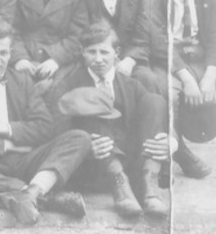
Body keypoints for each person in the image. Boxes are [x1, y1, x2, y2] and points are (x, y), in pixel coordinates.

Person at [0, 20, 91, 226]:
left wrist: (5, 130)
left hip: (26, 158)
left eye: (3, 53)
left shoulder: (22, 81)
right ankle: (36, 194)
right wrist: (6, 146)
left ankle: (23, 193)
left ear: (11, 52)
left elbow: (45, 127)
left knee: (79, 138)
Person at [43, 22, 171, 218]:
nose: (99, 59)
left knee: (155, 100)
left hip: (131, 163)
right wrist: (84, 145)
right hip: (93, 167)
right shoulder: (67, 85)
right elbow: (56, 132)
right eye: (92, 52)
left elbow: (158, 116)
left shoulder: (131, 84)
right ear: (82, 53)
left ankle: (150, 184)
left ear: (116, 53)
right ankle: (118, 182)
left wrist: (170, 142)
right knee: (90, 101)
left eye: (104, 52)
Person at [70, 0, 154, 93]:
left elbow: (142, 39)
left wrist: (129, 60)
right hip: (94, 57)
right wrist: (99, 58)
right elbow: (79, 34)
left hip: (130, 57)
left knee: (147, 82)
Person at [162, 0, 216, 179]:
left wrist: (210, 76)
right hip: (169, 59)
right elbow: (160, 40)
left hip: (200, 58)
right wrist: (187, 78)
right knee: (169, 96)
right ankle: (176, 154)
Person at [11, 0, 82, 90]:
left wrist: (56, 60)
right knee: (19, 88)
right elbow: (11, 31)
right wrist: (20, 58)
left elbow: (77, 36)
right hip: (26, 57)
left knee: (57, 90)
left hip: (61, 61)